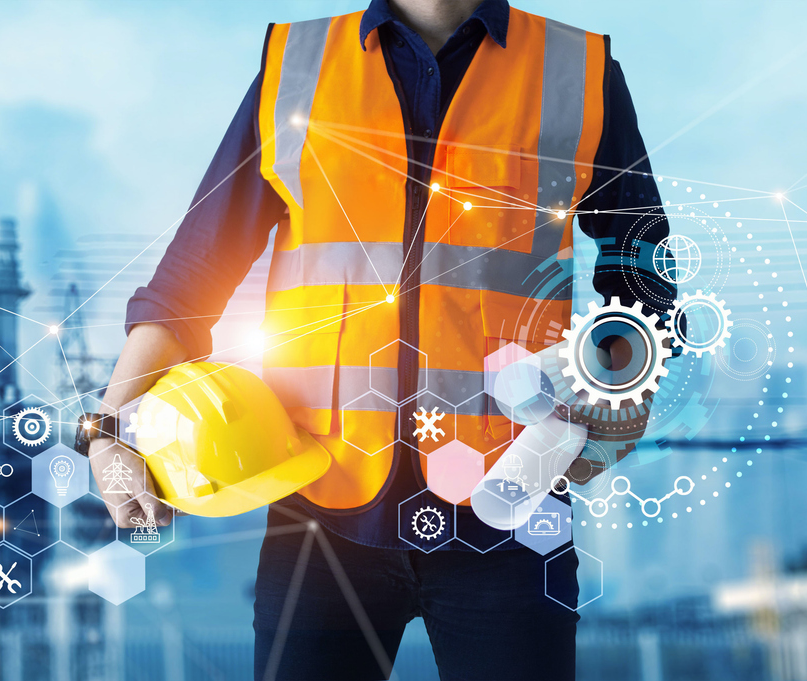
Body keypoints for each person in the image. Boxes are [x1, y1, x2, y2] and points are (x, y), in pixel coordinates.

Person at [83, 1, 676, 679]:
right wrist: (106, 427)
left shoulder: (575, 70)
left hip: (512, 511)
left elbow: (644, 276)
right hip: (318, 513)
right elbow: (190, 277)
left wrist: (623, 393)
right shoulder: (297, 65)